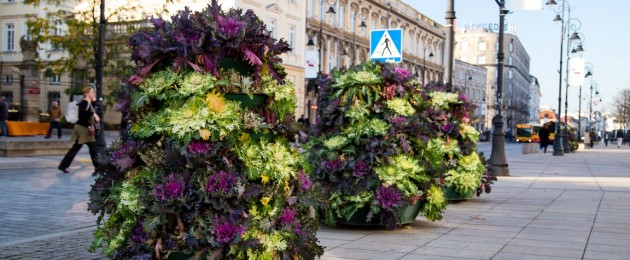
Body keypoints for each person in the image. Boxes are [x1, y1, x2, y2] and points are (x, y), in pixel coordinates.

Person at [58, 87, 100, 173]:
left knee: (77, 147)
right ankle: (98, 167)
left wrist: (94, 102)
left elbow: (91, 110)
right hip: (83, 129)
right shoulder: (84, 102)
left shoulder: (88, 102)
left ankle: (63, 165)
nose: (93, 93)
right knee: (93, 149)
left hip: (82, 128)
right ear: (87, 93)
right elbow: (82, 113)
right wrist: (93, 114)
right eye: (92, 92)